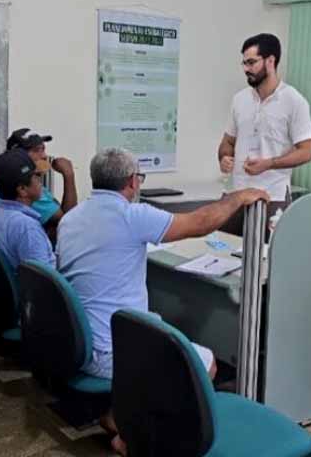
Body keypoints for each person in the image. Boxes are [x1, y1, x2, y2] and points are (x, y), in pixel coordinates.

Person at [56, 148, 269, 454]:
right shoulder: (131, 216)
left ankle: (123, 415)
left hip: (80, 340)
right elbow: (199, 222)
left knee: (161, 332)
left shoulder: (71, 218)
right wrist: (235, 198)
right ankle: (138, 435)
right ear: (132, 181)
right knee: (205, 365)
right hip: (108, 351)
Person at [216, 33, 311, 234]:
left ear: (271, 61)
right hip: (236, 194)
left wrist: (269, 163)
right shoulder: (239, 100)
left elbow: (306, 152)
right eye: (244, 63)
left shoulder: (294, 101)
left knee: (265, 258)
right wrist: (224, 157)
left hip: (272, 197)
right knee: (225, 253)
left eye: (251, 62)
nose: (246, 69)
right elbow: (227, 142)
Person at [0, 128, 77, 240]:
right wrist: (69, 175)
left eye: (43, 149)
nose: (44, 156)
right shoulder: (21, 187)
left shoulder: (5, 178)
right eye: (36, 150)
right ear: (18, 156)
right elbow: (68, 221)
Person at [0, 148, 55, 269]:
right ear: (22, 189)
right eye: (36, 176)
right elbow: (42, 283)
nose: (40, 181)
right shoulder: (27, 227)